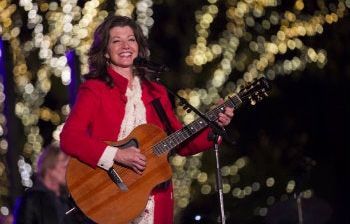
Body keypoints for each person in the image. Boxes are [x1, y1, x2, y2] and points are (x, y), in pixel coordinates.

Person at [59, 15, 235, 224]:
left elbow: (182, 144)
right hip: (108, 195)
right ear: (105, 52)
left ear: (139, 47)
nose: (125, 45)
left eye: (131, 39)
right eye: (116, 41)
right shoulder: (94, 90)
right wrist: (117, 155)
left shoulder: (157, 92)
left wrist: (214, 126)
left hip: (155, 199)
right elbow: (69, 138)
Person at [13, 144, 86, 224]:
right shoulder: (31, 200)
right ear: (49, 167)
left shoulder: (68, 201)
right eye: (65, 167)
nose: (69, 172)